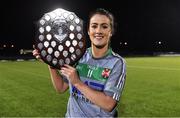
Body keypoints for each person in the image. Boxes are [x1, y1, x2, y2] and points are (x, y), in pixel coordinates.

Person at [33, 8, 126, 117]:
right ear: (88, 31)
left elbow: (109, 104)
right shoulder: (77, 56)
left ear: (110, 32)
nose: (98, 31)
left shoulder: (117, 63)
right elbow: (61, 87)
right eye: (94, 26)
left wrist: (77, 83)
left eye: (104, 26)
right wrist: (50, 63)